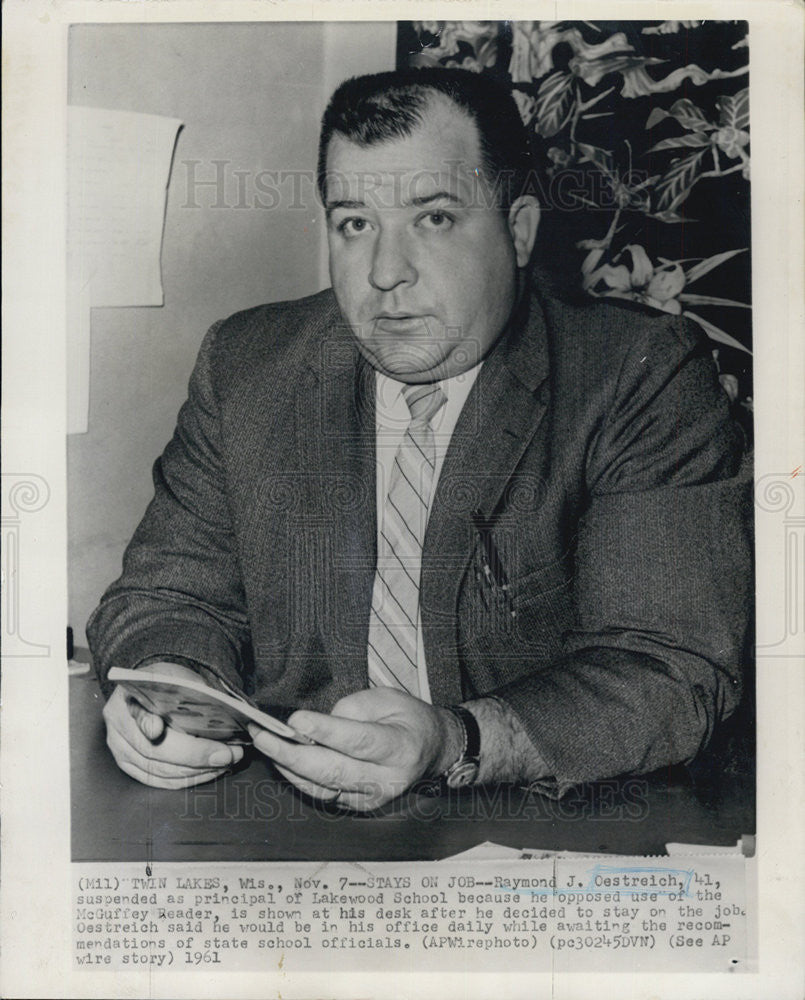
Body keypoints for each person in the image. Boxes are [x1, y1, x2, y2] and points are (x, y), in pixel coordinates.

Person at [88, 67, 752, 812]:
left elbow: (668, 668)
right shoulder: (247, 364)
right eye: (354, 223)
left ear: (518, 230)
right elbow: (166, 593)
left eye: (433, 218)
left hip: (537, 821)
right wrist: (168, 690)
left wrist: (453, 741)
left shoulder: (638, 375)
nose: (384, 273)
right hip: (286, 817)